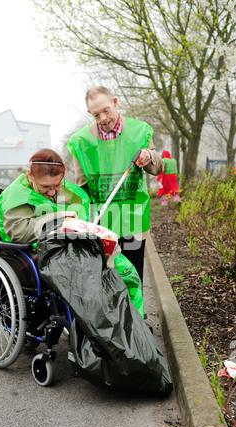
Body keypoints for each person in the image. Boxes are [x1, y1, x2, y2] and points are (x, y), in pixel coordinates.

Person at [0, 147, 145, 318]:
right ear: (30, 175)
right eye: (45, 187)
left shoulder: (70, 191)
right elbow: (20, 232)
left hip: (72, 246)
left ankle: (134, 326)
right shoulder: (15, 195)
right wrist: (60, 218)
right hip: (41, 253)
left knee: (125, 271)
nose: (52, 192)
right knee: (93, 278)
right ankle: (104, 331)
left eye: (57, 185)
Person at [67, 85, 164, 284]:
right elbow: (82, 186)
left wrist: (148, 155)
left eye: (106, 110)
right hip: (101, 222)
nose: (103, 118)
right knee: (106, 279)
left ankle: (136, 315)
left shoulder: (139, 131)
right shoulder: (81, 142)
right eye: (96, 115)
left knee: (133, 276)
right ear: (89, 114)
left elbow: (157, 168)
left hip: (132, 218)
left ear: (115, 102)